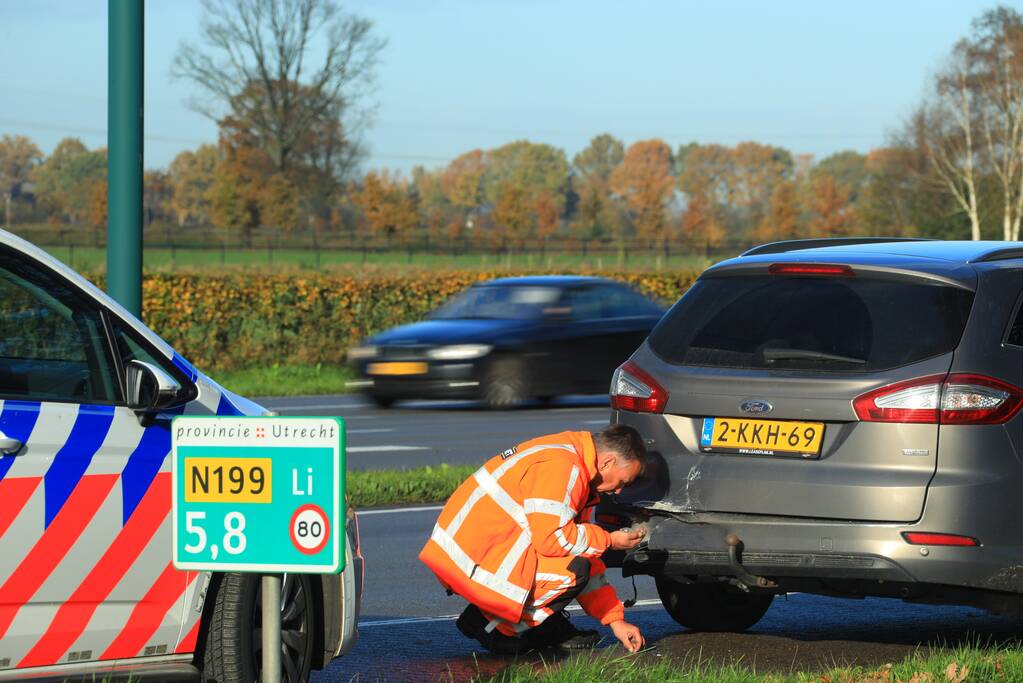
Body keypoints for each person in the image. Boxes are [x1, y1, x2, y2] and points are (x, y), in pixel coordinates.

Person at [418, 424, 648, 654]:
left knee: (578, 560)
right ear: (607, 462)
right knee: (573, 571)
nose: (618, 491)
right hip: (472, 560)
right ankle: (493, 626)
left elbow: (579, 548)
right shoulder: (564, 467)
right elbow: (553, 540)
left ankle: (539, 623)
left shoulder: (570, 455)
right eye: (622, 482)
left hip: (472, 553)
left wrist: (615, 620)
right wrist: (609, 540)